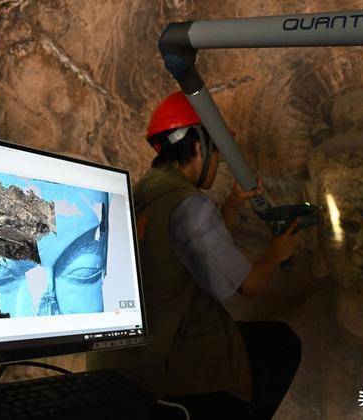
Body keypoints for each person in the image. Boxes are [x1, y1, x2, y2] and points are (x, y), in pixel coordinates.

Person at [86, 92, 301, 419]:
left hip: (115, 363)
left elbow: (191, 246)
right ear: (200, 147)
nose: (219, 165)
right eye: (219, 156)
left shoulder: (143, 191)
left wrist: (233, 204)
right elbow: (249, 286)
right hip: (160, 365)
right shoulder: (191, 204)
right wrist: (274, 254)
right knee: (281, 344)